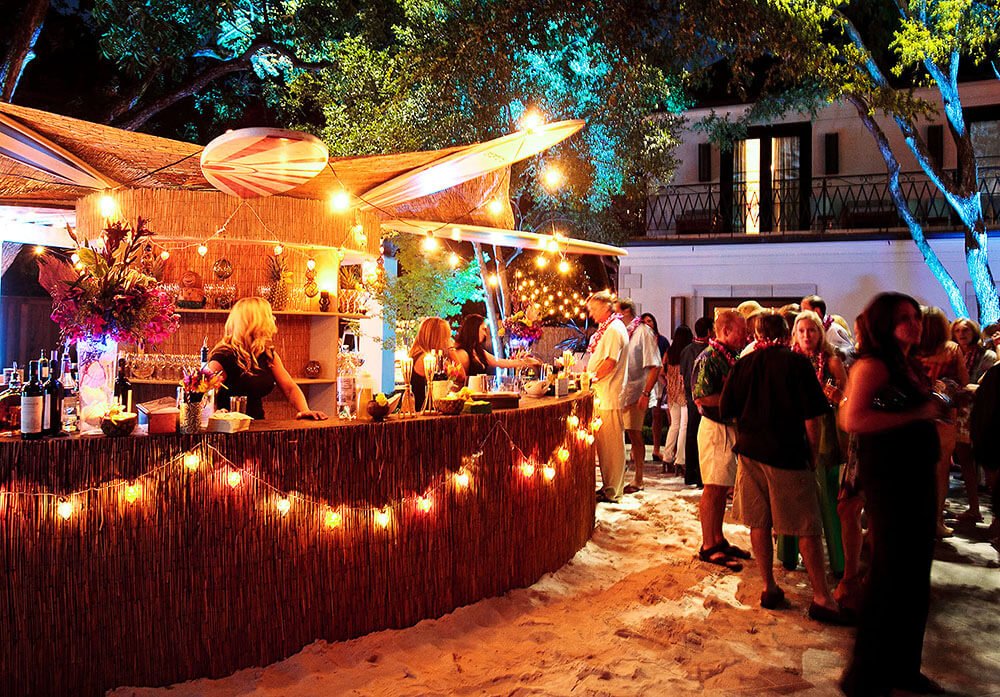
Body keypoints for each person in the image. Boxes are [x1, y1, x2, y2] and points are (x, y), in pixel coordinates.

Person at [838, 292, 947, 697]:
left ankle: (904, 667)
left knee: (914, 578)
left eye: (916, 316)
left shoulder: (905, 364)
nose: (914, 324)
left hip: (915, 478)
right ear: (885, 323)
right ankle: (865, 675)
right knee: (889, 576)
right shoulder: (873, 364)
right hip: (892, 482)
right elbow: (853, 418)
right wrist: (918, 414)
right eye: (904, 318)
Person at [720, 312, 848, 624]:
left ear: (758, 334)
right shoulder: (797, 364)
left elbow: (727, 409)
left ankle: (768, 586)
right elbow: (812, 416)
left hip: (750, 452)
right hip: (788, 453)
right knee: (805, 524)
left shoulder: (743, 364)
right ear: (786, 333)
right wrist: (813, 453)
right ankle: (822, 597)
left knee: (759, 522)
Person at [779, 310, 850, 577]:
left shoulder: (831, 361)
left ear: (820, 333)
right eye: (802, 331)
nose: (807, 335)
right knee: (791, 492)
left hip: (825, 433)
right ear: (794, 334)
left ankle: (839, 561)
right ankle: (787, 555)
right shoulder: (789, 361)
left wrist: (836, 396)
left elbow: (847, 398)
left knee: (827, 495)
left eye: (812, 330)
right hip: (793, 430)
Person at [207, 297, 328, 420]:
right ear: (257, 322)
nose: (273, 320)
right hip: (229, 429)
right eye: (270, 316)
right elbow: (204, 395)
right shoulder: (223, 356)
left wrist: (305, 411)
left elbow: (290, 388)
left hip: (258, 425)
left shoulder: (267, 354)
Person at [692, 309, 748, 570]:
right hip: (715, 429)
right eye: (741, 330)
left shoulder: (730, 355)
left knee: (721, 486)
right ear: (725, 331)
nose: (745, 336)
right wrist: (736, 401)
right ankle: (708, 545)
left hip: (727, 427)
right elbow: (702, 396)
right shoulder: (709, 357)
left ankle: (718, 537)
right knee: (713, 487)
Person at [915, 306, 969, 538]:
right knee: (940, 471)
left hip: (916, 416)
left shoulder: (910, 351)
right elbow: (964, 381)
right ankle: (936, 521)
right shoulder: (951, 350)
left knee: (916, 471)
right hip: (944, 417)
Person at [586, 290, 630, 503]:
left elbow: (610, 362)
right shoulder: (611, 328)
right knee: (607, 444)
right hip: (606, 393)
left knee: (611, 445)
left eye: (594, 310)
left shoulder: (613, 330)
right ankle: (610, 486)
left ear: (606, 307)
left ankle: (613, 489)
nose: (592, 315)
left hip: (609, 393)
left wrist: (590, 378)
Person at [951, 317, 996, 524]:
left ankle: (995, 518)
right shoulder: (954, 353)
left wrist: (970, 388)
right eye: (958, 330)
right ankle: (973, 508)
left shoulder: (985, 355)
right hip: (960, 414)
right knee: (966, 462)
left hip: (981, 414)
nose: (962, 334)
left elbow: (990, 385)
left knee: (988, 463)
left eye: (966, 330)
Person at [616, 299, 662, 493]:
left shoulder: (643, 332)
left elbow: (655, 365)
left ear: (626, 311)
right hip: (619, 391)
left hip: (636, 390)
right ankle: (618, 477)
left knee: (634, 434)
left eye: (616, 310)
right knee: (619, 435)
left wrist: (645, 393)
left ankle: (639, 478)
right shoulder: (620, 332)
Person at [453, 314, 540, 378]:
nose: (485, 334)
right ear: (473, 329)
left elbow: (502, 363)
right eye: (483, 329)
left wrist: (526, 361)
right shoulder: (463, 353)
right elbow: (460, 380)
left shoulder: (478, 351)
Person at [680, 316, 713, 486]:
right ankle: (701, 476)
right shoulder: (710, 352)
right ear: (709, 331)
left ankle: (690, 474)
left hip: (689, 396)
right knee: (703, 437)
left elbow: (682, 374)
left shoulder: (686, 350)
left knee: (691, 434)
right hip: (703, 399)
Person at [410, 317, 465, 410]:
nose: (448, 340)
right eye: (446, 337)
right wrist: (451, 350)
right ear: (438, 338)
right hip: (427, 412)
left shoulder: (419, 355)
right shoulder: (429, 359)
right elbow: (461, 375)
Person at [661, 325, 693, 474]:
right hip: (685, 392)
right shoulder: (687, 353)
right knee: (684, 426)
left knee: (674, 425)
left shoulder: (670, 352)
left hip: (672, 393)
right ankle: (680, 460)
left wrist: (668, 383)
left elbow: (661, 372)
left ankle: (667, 458)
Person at [641, 312, 670, 462]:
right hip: (641, 378)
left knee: (657, 415)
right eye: (645, 322)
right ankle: (637, 450)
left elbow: (666, 360)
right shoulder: (638, 340)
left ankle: (657, 449)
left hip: (657, 379)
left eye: (650, 321)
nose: (648, 324)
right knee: (639, 416)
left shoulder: (662, 340)